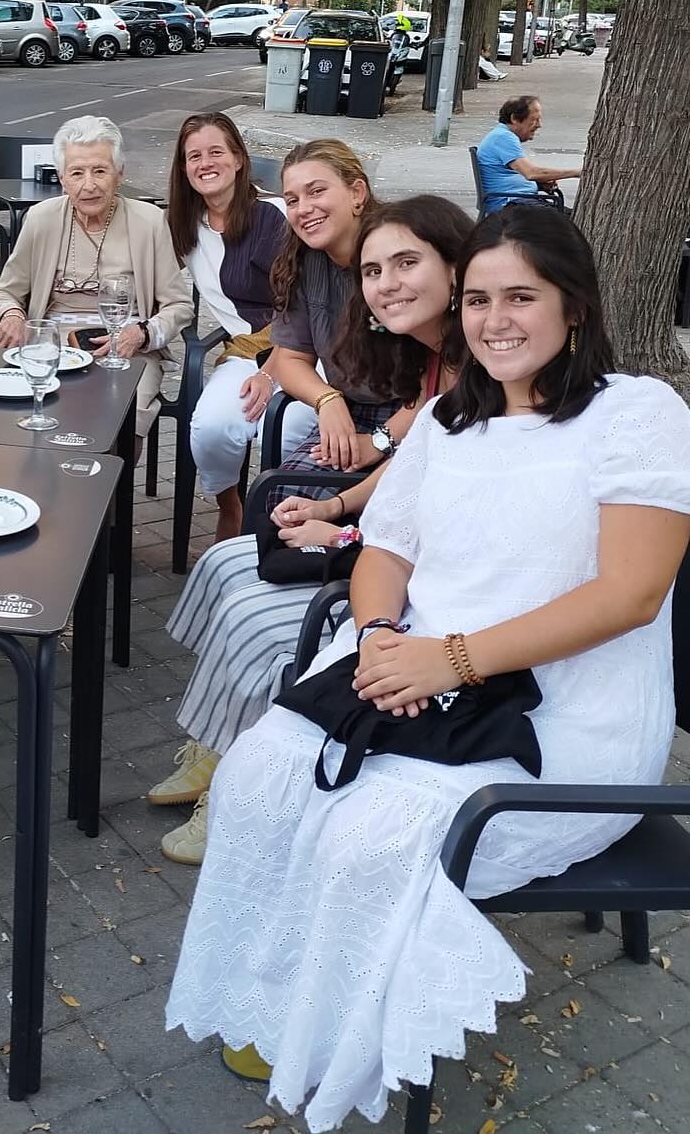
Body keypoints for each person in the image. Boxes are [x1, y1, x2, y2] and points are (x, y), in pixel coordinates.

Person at [165, 204, 690, 1129]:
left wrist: (447, 659)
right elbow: (386, 553)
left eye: (521, 296)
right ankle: (271, 993)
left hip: (562, 717)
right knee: (257, 780)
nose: (494, 320)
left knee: (365, 835)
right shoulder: (452, 417)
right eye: (481, 297)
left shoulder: (636, 414)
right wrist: (375, 638)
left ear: (575, 304)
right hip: (415, 666)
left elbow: (630, 595)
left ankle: (334, 1035)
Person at [150, 196, 473, 865]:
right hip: (392, 551)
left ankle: (238, 790)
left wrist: (348, 537)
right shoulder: (435, 358)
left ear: (456, 267)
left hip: (431, 596)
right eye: (375, 271)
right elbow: (411, 465)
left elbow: (451, 524)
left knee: (263, 624)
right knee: (225, 565)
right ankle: (216, 748)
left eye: (407, 264)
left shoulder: (481, 375)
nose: (385, 285)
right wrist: (334, 510)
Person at [0, 114, 194, 445]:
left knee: (121, 414)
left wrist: (141, 334)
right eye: (77, 173)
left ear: (119, 174)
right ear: (62, 179)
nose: (89, 184)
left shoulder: (149, 222)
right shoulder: (41, 219)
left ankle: (109, 492)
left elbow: (180, 304)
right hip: (52, 346)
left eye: (100, 170)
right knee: (32, 412)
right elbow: (6, 291)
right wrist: (12, 315)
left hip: (127, 350)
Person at [170, 112, 286, 543]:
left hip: (304, 349)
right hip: (243, 350)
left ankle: (280, 524)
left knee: (290, 429)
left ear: (238, 158)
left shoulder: (275, 217)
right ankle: (230, 504)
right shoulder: (186, 225)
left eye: (216, 151)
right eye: (193, 156)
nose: (205, 163)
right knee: (211, 427)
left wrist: (271, 371)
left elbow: (305, 307)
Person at [265, 139, 411, 476]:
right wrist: (327, 399)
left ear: (357, 193)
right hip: (352, 408)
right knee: (285, 505)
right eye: (292, 200)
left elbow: (444, 376)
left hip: (421, 414)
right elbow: (289, 359)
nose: (303, 208)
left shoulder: (402, 257)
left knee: (381, 512)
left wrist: (380, 441)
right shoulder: (300, 262)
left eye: (316, 191)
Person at [477, 95, 582, 213]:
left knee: (572, 216)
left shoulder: (502, 135)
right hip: (511, 205)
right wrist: (577, 172)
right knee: (569, 222)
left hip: (518, 201)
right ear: (514, 119)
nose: (539, 125)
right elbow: (531, 173)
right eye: (534, 119)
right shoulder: (503, 137)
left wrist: (539, 185)